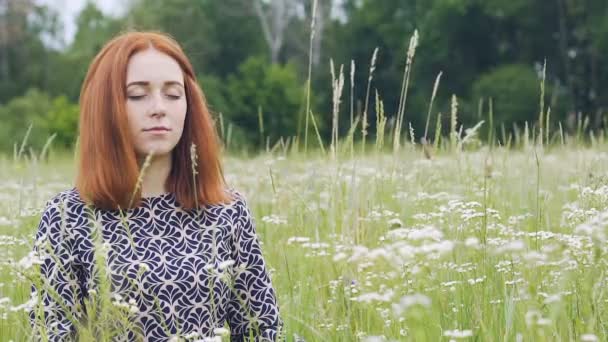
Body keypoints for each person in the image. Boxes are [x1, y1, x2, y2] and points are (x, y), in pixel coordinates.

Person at [28, 31, 282, 341]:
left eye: (174, 94)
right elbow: (50, 333)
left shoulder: (227, 210)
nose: (159, 107)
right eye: (138, 94)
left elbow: (263, 330)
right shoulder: (67, 217)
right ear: (106, 107)